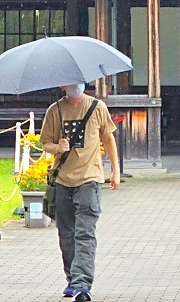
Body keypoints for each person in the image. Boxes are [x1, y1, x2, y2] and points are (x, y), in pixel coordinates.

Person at [40, 84, 121, 302]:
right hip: (63, 181)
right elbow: (45, 143)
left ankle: (82, 283)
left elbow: (109, 138)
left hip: (90, 178)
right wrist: (58, 147)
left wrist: (115, 170)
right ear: (63, 86)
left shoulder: (97, 107)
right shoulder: (54, 110)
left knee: (85, 233)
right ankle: (72, 279)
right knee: (66, 234)